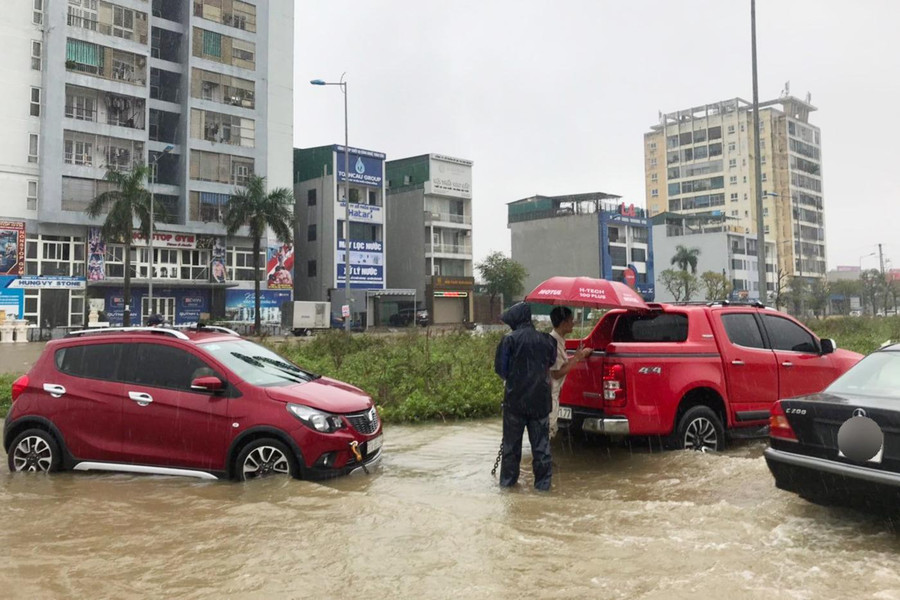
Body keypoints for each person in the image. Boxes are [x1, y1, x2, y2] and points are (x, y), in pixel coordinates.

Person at [494, 302, 557, 490]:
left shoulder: (509, 340)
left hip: (515, 403)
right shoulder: (547, 340)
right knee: (541, 448)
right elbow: (551, 362)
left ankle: (508, 486)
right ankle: (543, 488)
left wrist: (517, 379)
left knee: (511, 448)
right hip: (540, 402)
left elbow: (501, 370)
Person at [548, 307, 593, 439]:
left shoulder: (557, 341)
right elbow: (556, 373)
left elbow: (562, 364)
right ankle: (543, 459)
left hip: (550, 395)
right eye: (571, 320)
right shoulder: (554, 343)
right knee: (548, 432)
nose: (573, 323)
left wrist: (580, 355)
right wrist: (577, 359)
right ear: (563, 323)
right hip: (549, 396)